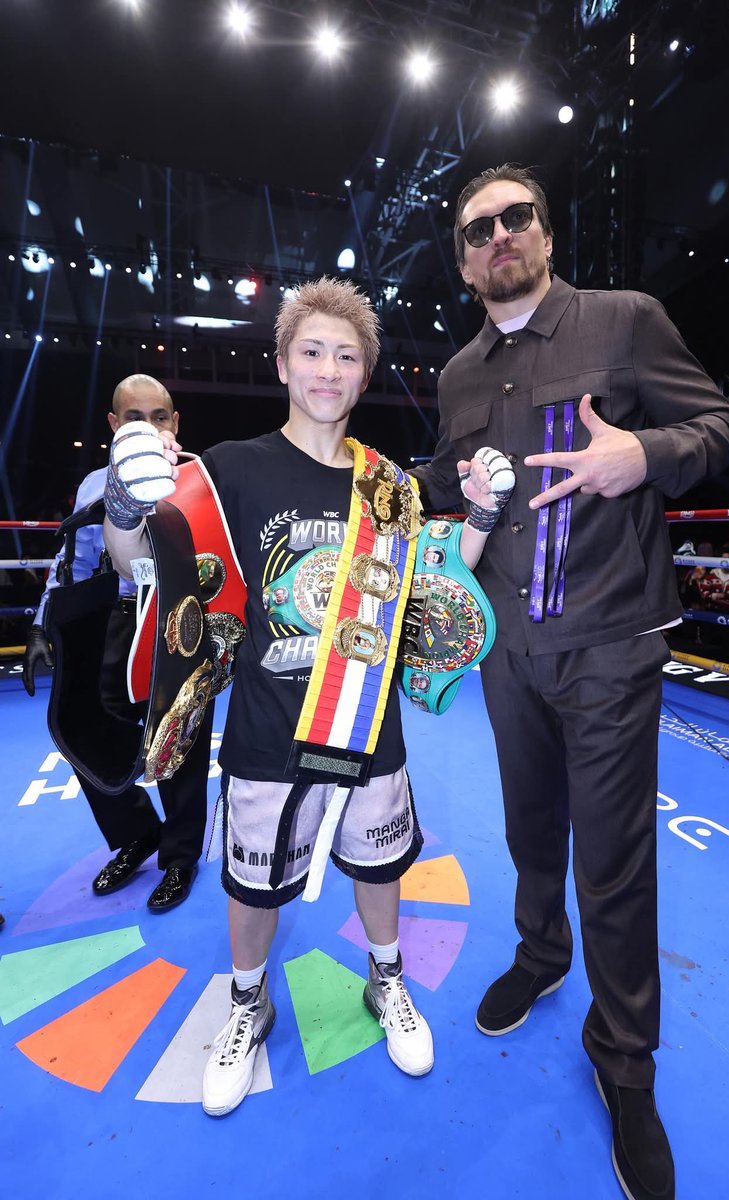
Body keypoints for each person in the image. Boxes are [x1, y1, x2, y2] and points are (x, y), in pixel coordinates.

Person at [101, 278, 505, 1118]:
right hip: (264, 724)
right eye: (313, 352)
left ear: (365, 376)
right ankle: (248, 1002)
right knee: (252, 886)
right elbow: (136, 563)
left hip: (368, 722)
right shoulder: (229, 469)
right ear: (283, 364)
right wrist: (123, 503)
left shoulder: (389, 485)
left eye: (347, 356)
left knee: (382, 864)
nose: (329, 369)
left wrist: (483, 514)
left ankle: (383, 984)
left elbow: (438, 575)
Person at [412, 164, 729, 1200]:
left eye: (515, 219)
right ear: (462, 261)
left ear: (544, 236)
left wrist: (641, 455)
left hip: (604, 644)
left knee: (613, 861)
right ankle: (537, 952)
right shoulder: (459, 374)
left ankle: (623, 1062)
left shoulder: (624, 321)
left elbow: (717, 428)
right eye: (477, 230)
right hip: (503, 652)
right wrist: (394, 484)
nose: (497, 237)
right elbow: (445, 479)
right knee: (527, 826)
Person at [23, 375, 211, 913]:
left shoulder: (199, 479)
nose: (150, 426)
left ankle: (179, 856)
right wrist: (41, 626)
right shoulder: (92, 486)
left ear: (175, 423)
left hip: (181, 620)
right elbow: (72, 564)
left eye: (160, 416)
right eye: (135, 417)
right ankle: (135, 833)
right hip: (115, 618)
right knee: (85, 731)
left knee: (184, 740)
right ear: (113, 425)